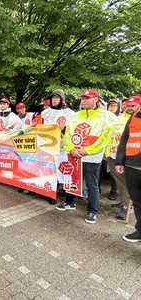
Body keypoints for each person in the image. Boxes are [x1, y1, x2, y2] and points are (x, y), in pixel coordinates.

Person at [58, 89, 114, 224]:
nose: (83, 100)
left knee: (91, 184)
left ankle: (92, 211)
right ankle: (69, 202)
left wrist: (87, 151)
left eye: (87, 98)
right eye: (82, 98)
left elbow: (105, 138)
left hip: (92, 157)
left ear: (95, 100)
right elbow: (68, 135)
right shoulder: (76, 115)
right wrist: (71, 149)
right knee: (72, 180)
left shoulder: (106, 116)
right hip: (74, 155)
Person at [106, 97, 139, 219]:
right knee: (119, 182)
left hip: (127, 158)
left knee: (125, 184)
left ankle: (126, 207)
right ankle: (123, 202)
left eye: (132, 105)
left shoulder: (135, 120)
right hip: (112, 155)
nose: (128, 107)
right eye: (126, 105)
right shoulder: (120, 118)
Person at [115, 95, 141, 241]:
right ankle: (140, 230)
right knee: (137, 201)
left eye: (133, 105)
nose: (130, 108)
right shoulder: (133, 118)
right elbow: (124, 140)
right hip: (131, 167)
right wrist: (119, 161)